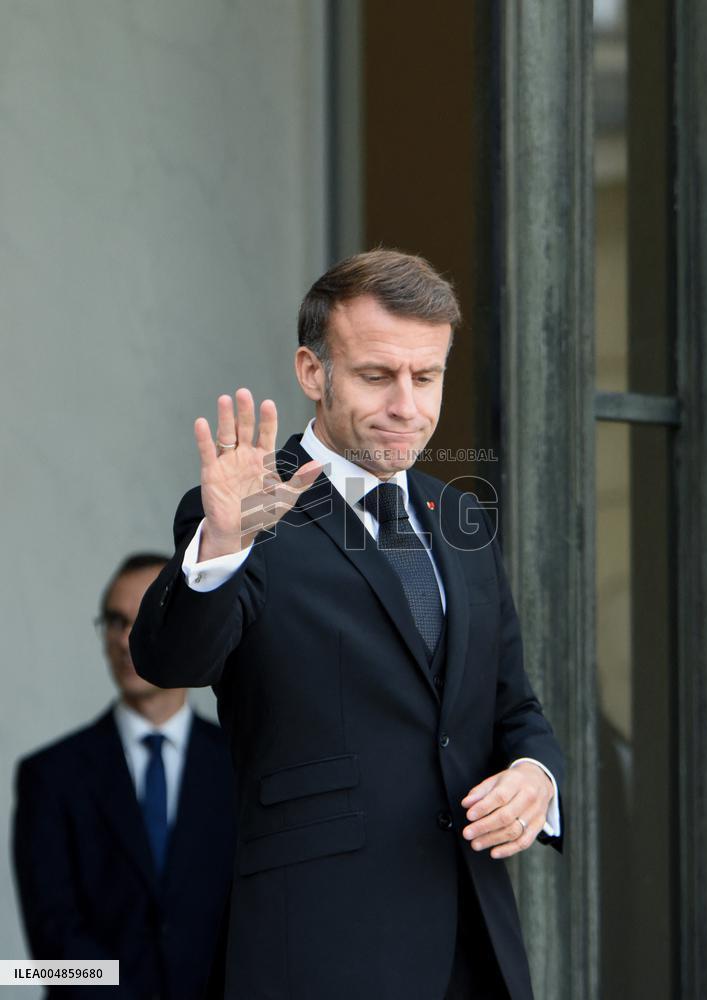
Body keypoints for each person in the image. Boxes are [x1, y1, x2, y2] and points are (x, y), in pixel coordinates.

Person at [130, 250, 565, 1000]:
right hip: (319, 951)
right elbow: (171, 660)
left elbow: (510, 707)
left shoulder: (460, 514)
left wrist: (537, 777)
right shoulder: (249, 511)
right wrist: (224, 545)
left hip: (476, 947)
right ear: (311, 371)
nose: (407, 405)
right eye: (376, 375)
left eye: (425, 377)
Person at [12, 553, 236, 1000]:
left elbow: (259, 919)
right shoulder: (50, 776)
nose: (124, 638)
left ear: (182, 628)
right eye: (114, 621)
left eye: (143, 617)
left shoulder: (240, 765)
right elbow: (52, 944)